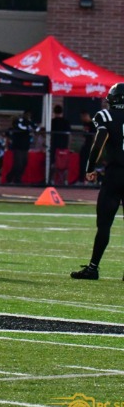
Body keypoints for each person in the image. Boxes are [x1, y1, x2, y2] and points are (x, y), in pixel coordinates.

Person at [72, 83, 124, 280]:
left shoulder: (105, 115)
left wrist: (90, 167)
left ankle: (93, 268)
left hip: (115, 174)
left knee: (104, 224)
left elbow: (99, 141)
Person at [6, 111, 35, 184]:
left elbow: (34, 129)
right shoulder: (19, 125)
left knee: (24, 162)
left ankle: (16, 178)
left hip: (25, 146)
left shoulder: (29, 124)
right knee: (18, 163)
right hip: (18, 146)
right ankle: (13, 178)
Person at [79, 110, 96, 184]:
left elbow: (95, 136)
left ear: (86, 115)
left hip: (91, 146)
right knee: (82, 163)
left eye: (82, 117)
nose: (81, 119)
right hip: (85, 146)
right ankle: (82, 180)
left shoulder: (93, 124)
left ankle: (91, 180)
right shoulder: (85, 124)